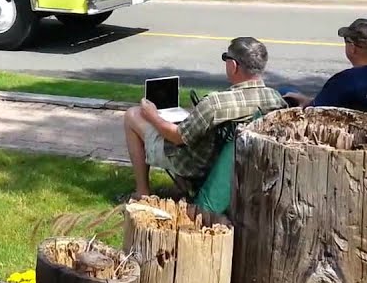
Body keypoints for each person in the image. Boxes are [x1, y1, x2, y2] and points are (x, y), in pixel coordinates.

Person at [122, 37, 287, 200]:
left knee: (132, 115)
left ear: (233, 65)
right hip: (246, 165)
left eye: (226, 58)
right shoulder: (276, 100)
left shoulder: (215, 103)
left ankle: (142, 192)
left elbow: (177, 137)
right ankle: (180, 189)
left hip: (197, 166)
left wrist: (152, 116)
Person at [281, 18, 367, 115]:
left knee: (284, 92)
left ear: (352, 48)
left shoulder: (344, 81)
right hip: (365, 123)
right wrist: (307, 99)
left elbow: (315, 111)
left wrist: (303, 103)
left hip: (334, 129)